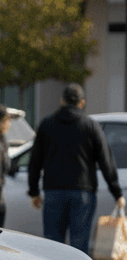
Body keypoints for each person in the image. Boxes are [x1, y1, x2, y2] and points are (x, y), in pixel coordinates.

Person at [28, 83, 125, 251]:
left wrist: (34, 191)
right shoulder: (91, 126)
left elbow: (35, 160)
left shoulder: (47, 125)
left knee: (53, 244)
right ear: (82, 103)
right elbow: (106, 160)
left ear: (62, 101)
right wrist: (117, 192)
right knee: (79, 244)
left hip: (53, 191)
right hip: (83, 193)